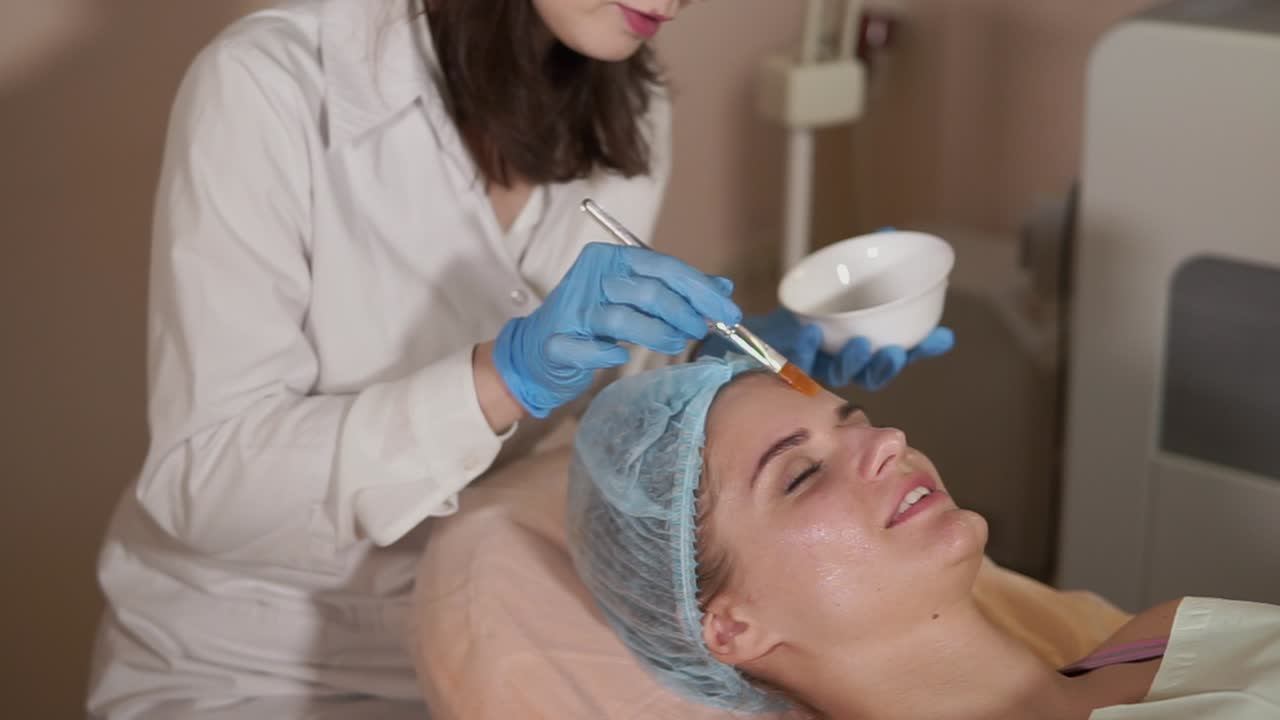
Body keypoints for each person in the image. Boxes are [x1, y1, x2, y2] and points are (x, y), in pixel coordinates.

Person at [88, 0, 953, 717]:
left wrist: (720, 359)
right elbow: (201, 484)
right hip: (245, 662)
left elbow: (587, 392)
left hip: (484, 624)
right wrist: (500, 378)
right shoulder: (271, 88)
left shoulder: (632, 105)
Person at [568, 357, 1280, 719]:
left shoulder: (1163, 634)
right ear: (731, 628)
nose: (886, 440)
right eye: (801, 474)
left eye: (855, 421)